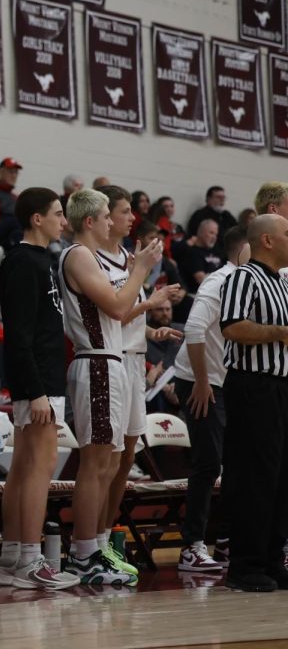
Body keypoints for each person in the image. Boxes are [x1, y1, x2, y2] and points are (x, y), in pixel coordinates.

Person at [57, 188, 161, 587]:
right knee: (95, 464)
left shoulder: (91, 257)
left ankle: (95, 546)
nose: (111, 222)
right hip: (96, 361)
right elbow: (118, 307)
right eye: (106, 216)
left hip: (111, 362)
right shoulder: (79, 255)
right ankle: (84, 554)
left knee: (109, 464)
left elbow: (120, 309)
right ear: (90, 222)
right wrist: (142, 271)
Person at [0, 188, 80, 590]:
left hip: (41, 380)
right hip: (38, 382)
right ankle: (30, 559)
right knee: (37, 471)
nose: (64, 221)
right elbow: (19, 336)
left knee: (25, 468)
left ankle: (11, 558)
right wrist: (37, 390)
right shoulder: (23, 262)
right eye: (58, 214)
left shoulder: (39, 260)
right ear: (37, 219)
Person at [95, 186, 183, 579]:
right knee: (110, 459)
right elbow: (117, 313)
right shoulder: (102, 261)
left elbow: (131, 319)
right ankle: (93, 543)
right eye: (126, 212)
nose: (131, 218)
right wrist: (153, 299)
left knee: (127, 459)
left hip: (132, 360)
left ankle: (108, 536)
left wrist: (152, 334)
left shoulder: (128, 262)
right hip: (110, 363)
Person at [218, 214, 288, 592]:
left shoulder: (283, 283)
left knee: (281, 477)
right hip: (252, 386)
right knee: (255, 477)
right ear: (267, 240)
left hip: (281, 387)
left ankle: (273, 560)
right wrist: (280, 332)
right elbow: (231, 326)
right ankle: (245, 565)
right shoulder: (243, 277)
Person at [169, 226, 245, 572]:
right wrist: (202, 382)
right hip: (200, 382)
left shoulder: (253, 280)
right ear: (244, 248)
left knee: (237, 464)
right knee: (208, 464)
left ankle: (227, 541)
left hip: (227, 383)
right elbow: (194, 329)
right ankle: (191, 546)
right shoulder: (218, 282)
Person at [175, 219, 224, 293]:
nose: (214, 237)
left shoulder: (216, 251)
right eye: (211, 233)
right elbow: (201, 280)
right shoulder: (192, 252)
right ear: (200, 232)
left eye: (216, 234)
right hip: (199, 295)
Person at [0, 157, 22, 250]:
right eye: (11, 172)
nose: (14, 175)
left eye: (16, 172)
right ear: (1, 172)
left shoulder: (16, 197)